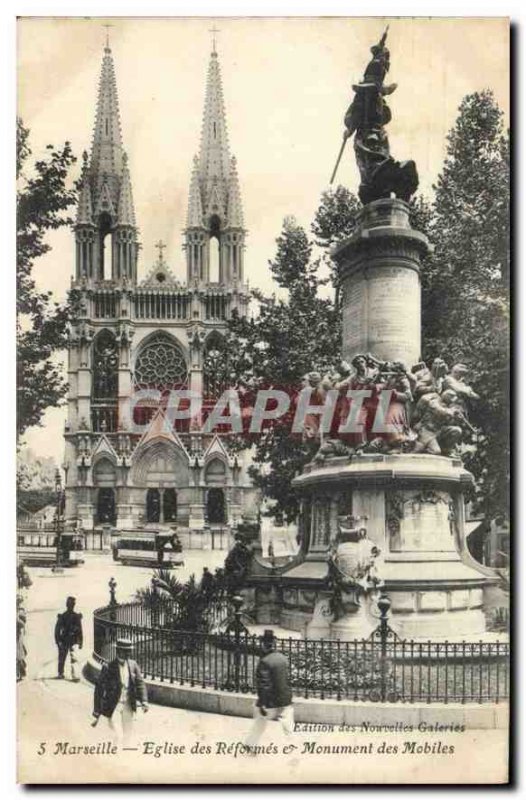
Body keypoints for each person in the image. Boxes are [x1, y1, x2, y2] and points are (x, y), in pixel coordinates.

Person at [92, 638, 148, 746]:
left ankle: (124, 756)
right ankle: (115, 756)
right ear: (118, 651)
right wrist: (96, 710)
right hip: (114, 706)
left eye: (129, 651)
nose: (128, 653)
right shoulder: (108, 667)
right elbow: (99, 689)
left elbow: (140, 683)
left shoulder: (133, 665)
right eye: (125, 651)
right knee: (117, 735)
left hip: (128, 705)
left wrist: (144, 701)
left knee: (128, 734)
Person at [244, 629, 294, 752]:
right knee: (288, 725)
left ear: (263, 645)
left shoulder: (264, 662)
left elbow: (264, 685)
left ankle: (250, 745)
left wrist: (263, 703)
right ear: (274, 644)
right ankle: (294, 747)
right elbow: (287, 679)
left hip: (271, 701)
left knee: (260, 721)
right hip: (285, 698)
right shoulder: (283, 658)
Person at [54, 596, 83, 681]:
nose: (71, 606)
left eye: (72, 604)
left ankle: (74, 675)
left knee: (73, 658)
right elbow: (57, 630)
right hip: (64, 641)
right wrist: (58, 641)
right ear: (67, 605)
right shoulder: (63, 616)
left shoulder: (76, 616)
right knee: (62, 657)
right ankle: (61, 673)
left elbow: (80, 630)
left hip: (72, 641)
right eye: (70, 604)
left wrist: (80, 642)